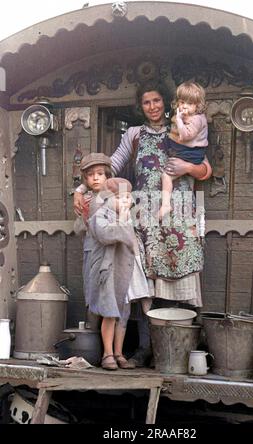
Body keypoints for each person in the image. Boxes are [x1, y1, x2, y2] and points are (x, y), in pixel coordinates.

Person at [74, 80, 212, 366]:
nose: (153, 107)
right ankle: (146, 348)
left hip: (179, 214)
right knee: (144, 285)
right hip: (144, 216)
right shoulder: (135, 134)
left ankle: (180, 350)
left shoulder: (182, 127)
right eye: (147, 102)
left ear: (167, 102)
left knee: (178, 279)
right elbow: (109, 166)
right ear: (141, 106)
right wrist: (81, 189)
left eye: (157, 100)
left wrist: (187, 167)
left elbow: (205, 168)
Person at [87, 177, 151, 370]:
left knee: (123, 313)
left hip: (125, 271)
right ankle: (107, 354)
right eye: (120, 198)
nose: (126, 202)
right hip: (108, 271)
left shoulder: (127, 217)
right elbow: (107, 236)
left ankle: (118, 352)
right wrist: (123, 220)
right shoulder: (100, 216)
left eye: (128, 198)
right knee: (109, 312)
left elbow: (134, 242)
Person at [74, 152, 112, 329]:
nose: (95, 178)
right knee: (92, 290)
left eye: (100, 174)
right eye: (90, 175)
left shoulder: (114, 197)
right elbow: (79, 230)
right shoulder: (86, 199)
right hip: (92, 249)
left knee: (110, 294)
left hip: (111, 252)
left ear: (107, 176)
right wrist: (84, 216)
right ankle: (92, 339)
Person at [159, 82, 208, 220]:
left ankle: (166, 205)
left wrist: (180, 120)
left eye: (190, 103)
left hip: (191, 153)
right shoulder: (187, 116)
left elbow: (186, 136)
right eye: (182, 102)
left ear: (197, 106)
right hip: (185, 150)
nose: (184, 106)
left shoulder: (197, 119)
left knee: (166, 176)